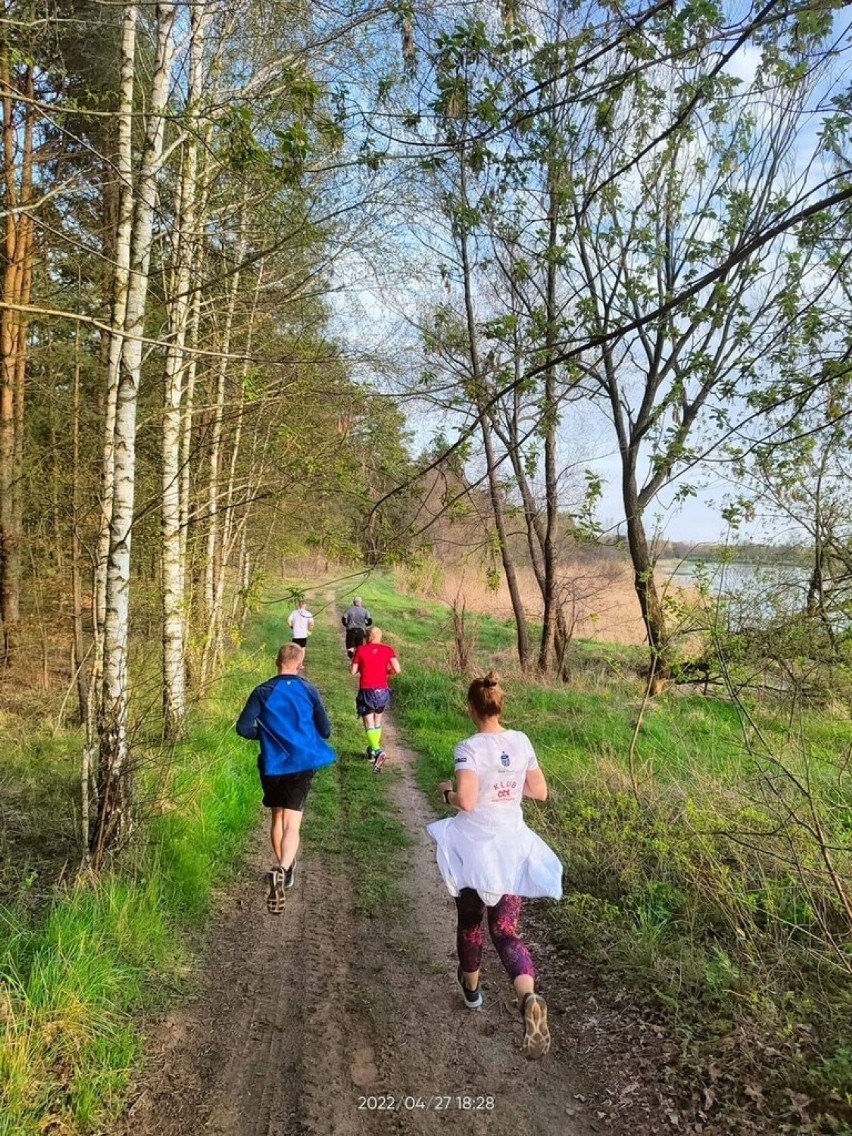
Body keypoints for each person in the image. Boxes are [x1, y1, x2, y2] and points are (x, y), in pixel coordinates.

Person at [426, 672, 562, 1060]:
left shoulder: (468, 748)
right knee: (505, 930)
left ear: (471, 708)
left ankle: (471, 991)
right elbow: (539, 790)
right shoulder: (520, 741)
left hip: (475, 848)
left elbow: (467, 802)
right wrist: (507, 783)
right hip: (512, 846)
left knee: (471, 923)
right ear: (500, 706)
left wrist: (447, 792)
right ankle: (528, 996)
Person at [236, 643, 336, 913]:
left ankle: (282, 864)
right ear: (300, 664)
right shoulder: (308, 690)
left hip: (272, 765)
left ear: (275, 662)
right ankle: (283, 869)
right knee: (293, 823)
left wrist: (266, 736)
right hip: (301, 764)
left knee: (277, 817)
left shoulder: (262, 691)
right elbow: (325, 731)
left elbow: (243, 728)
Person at [350, 626, 400, 772]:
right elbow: (397, 669)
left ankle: (378, 752)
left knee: (368, 722)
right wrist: (386, 672)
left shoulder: (361, 650)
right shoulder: (388, 650)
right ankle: (372, 751)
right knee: (378, 720)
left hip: (367, 690)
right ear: (380, 637)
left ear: (368, 637)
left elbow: (352, 671)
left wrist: (358, 663)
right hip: (383, 690)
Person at [341, 595, 372, 660]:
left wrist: (347, 625)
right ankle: (357, 660)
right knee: (359, 647)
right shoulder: (365, 611)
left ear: (353, 602)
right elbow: (370, 621)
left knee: (350, 646)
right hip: (360, 631)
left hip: (351, 631)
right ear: (361, 602)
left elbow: (343, 619)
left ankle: (351, 658)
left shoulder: (349, 610)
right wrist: (365, 624)